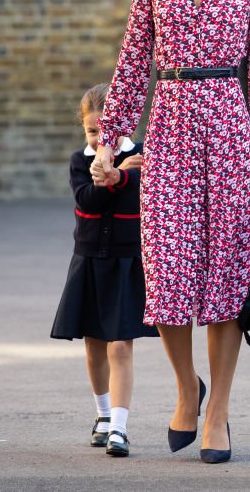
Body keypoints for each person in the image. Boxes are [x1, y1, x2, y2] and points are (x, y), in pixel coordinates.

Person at [92, 0, 250, 464]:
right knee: (170, 275)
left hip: (229, 128)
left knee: (226, 280)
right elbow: (131, 63)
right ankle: (186, 392)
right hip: (171, 127)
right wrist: (110, 140)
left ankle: (220, 414)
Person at [51, 83, 158, 458]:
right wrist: (115, 177)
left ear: (124, 124)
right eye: (92, 131)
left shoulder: (142, 155)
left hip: (128, 263)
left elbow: (142, 190)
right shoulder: (80, 161)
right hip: (89, 261)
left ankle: (120, 427)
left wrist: (122, 175)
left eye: (106, 130)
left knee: (120, 346)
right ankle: (102, 415)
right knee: (94, 346)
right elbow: (87, 201)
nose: (99, 138)